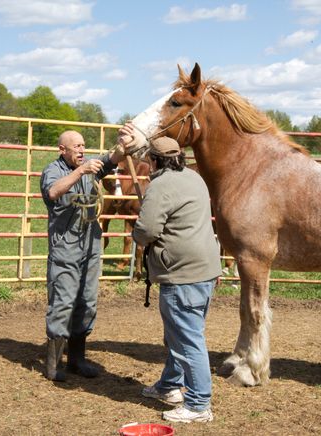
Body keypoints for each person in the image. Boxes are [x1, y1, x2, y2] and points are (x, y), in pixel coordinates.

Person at [132, 137, 222, 424]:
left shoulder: (161, 185)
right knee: (179, 333)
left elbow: (146, 231)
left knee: (186, 337)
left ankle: (198, 404)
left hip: (182, 274)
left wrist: (138, 228)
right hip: (205, 269)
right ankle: (170, 385)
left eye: (149, 160)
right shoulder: (193, 178)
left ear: (156, 160)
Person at [40, 123, 137, 381]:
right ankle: (52, 365)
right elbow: (53, 191)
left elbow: (112, 158)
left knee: (87, 301)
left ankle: (76, 359)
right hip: (66, 247)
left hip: (90, 244)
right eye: (76, 147)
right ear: (62, 150)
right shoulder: (54, 170)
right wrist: (81, 170)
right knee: (63, 301)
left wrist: (123, 143)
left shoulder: (91, 168)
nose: (82, 151)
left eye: (83, 146)